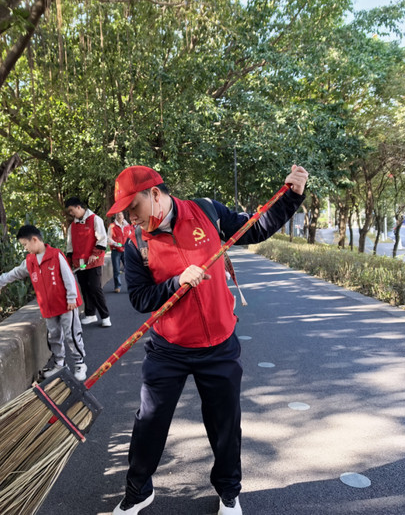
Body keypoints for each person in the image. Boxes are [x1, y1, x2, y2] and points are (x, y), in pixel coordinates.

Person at [107, 165, 309, 515]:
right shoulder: (136, 243)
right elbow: (140, 298)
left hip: (219, 345)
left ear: (154, 194)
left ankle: (229, 492)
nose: (131, 217)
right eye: (125, 211)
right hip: (168, 349)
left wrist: (291, 196)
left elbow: (255, 227)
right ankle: (138, 490)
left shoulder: (206, 211)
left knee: (225, 424)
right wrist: (176, 283)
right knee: (149, 422)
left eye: (133, 207)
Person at [0, 225, 88, 381]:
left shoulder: (56, 255)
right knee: (54, 336)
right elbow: (15, 273)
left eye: (25, 244)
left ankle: (80, 363)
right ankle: (59, 364)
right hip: (48, 307)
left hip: (65, 305)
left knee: (71, 334)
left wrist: (71, 297)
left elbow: (68, 277)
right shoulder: (30, 261)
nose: (25, 248)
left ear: (34, 239)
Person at [65, 197, 112, 327]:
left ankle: (105, 316)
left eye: (72, 210)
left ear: (79, 207)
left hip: (93, 261)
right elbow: (70, 246)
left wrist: (95, 254)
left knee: (95, 288)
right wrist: (69, 262)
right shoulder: (72, 226)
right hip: (79, 263)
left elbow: (102, 239)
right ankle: (90, 314)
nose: (71, 213)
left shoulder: (95, 219)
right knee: (84, 288)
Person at [108, 211, 132, 293]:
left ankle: (131, 285)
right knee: (116, 269)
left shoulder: (127, 226)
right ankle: (117, 286)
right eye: (118, 215)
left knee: (128, 269)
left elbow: (130, 237)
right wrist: (116, 244)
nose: (119, 216)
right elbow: (109, 238)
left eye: (121, 214)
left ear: (123, 216)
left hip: (126, 250)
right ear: (116, 216)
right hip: (116, 250)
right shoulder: (112, 226)